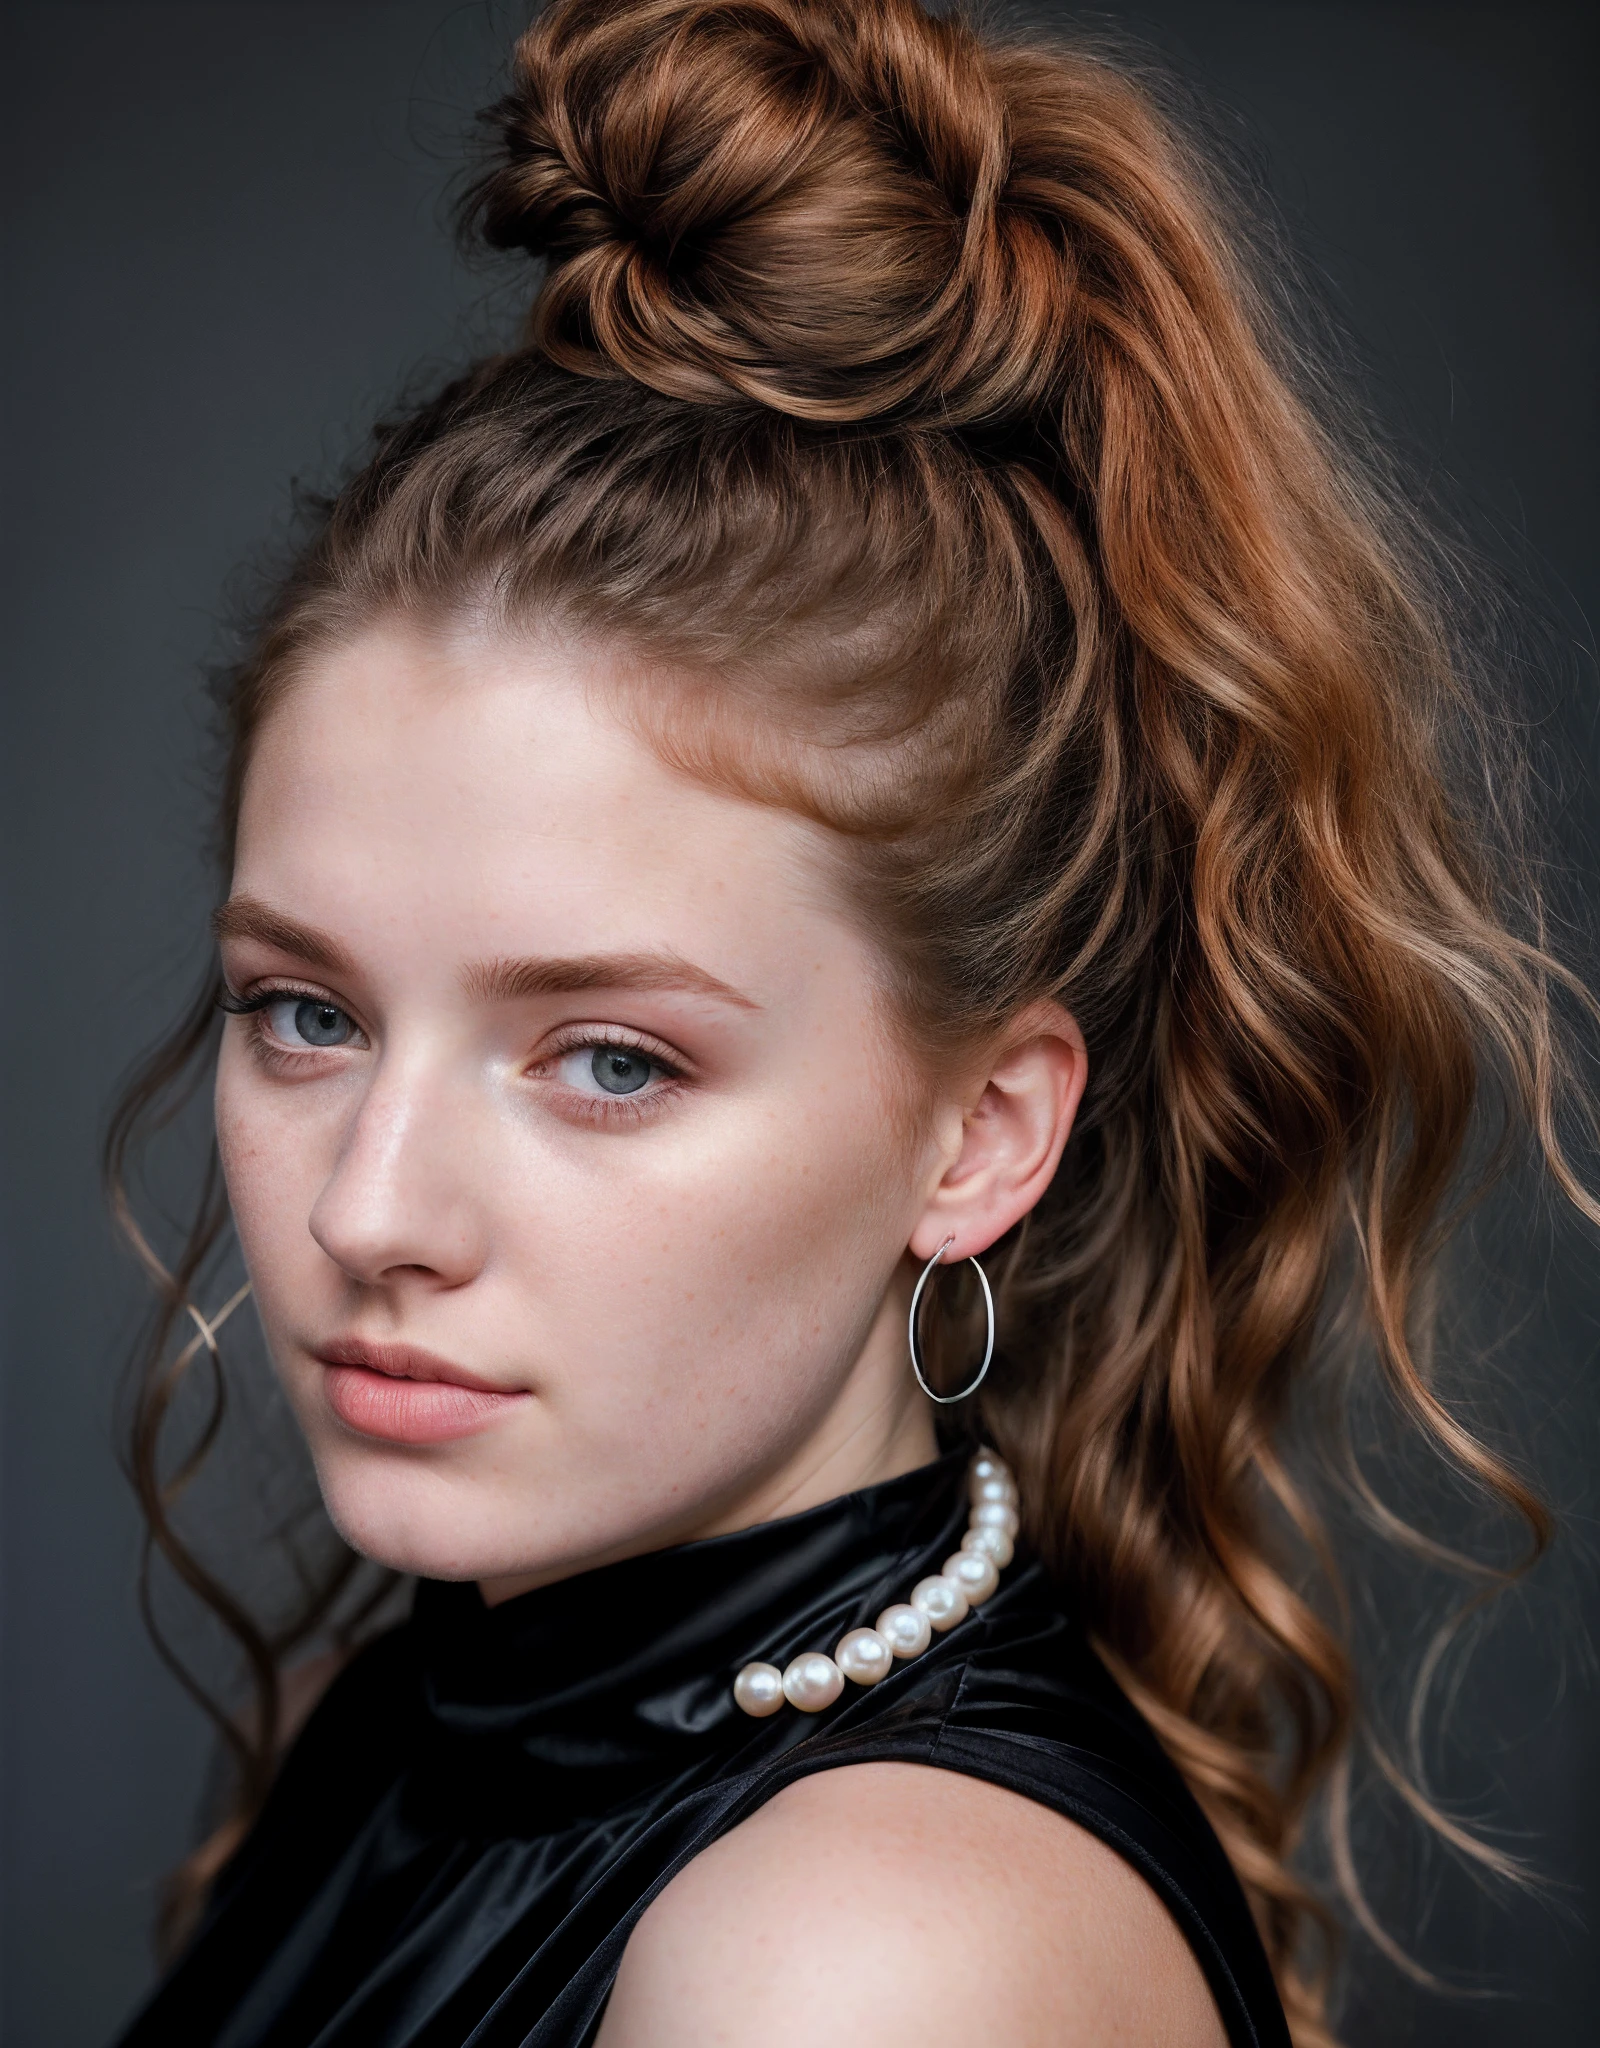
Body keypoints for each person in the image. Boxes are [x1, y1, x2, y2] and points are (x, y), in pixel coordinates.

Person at [105, 3, 1588, 2044]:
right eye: (305, 1012)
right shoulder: (418, 1710)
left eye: (608, 1057)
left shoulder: (859, 1958)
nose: (372, 1208)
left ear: (977, 1134)